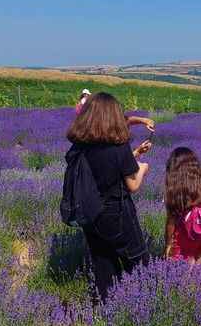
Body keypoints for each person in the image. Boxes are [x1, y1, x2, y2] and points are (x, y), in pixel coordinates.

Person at [65, 92, 152, 303]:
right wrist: (142, 168)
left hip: (90, 212)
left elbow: (101, 169)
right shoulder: (118, 145)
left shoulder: (80, 145)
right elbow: (132, 184)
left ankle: (105, 308)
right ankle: (145, 306)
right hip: (117, 213)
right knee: (138, 261)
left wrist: (134, 155)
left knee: (103, 262)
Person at [164, 147, 201, 264]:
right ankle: (200, 276)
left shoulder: (176, 187)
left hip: (185, 232)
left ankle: (187, 276)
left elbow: (171, 220)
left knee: (185, 261)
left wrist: (168, 244)